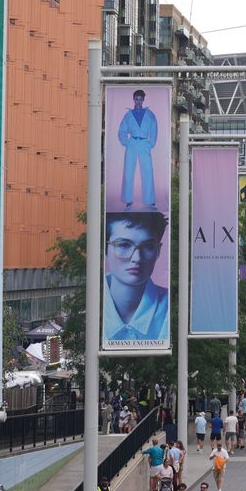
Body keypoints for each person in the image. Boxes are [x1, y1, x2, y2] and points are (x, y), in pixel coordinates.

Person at [103, 211, 169, 341]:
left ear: (158, 251)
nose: (137, 258)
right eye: (124, 245)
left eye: (148, 246)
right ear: (105, 249)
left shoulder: (170, 307)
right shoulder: (90, 302)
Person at [117, 88, 158, 210]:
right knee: (128, 171)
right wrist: (126, 142)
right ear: (134, 99)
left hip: (144, 142)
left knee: (148, 171)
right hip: (132, 143)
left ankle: (150, 201)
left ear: (143, 100)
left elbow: (154, 129)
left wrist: (151, 143)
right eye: (137, 99)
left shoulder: (150, 115)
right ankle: (128, 201)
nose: (139, 101)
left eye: (141, 99)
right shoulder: (128, 115)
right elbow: (122, 130)